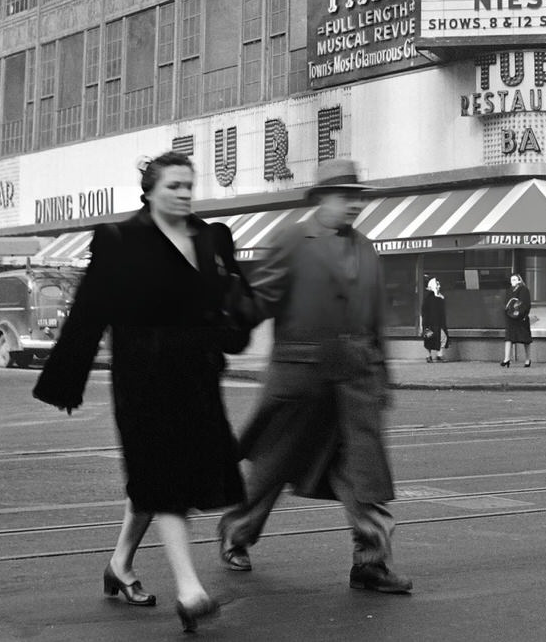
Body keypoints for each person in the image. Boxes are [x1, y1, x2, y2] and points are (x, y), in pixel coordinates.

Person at [34, 151, 247, 633]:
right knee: (166, 480)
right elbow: (90, 310)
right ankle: (190, 590)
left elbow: (225, 303)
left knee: (154, 479)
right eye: (174, 185)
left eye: (189, 185)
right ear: (150, 190)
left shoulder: (207, 237)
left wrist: (235, 327)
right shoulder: (121, 240)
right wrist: (66, 380)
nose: (185, 193)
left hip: (195, 379)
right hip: (143, 379)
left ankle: (120, 565)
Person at [218, 158, 412, 595]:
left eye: (357, 199)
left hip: (355, 382)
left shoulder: (365, 247)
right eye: (346, 198)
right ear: (322, 198)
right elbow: (261, 297)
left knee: (363, 476)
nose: (354, 207)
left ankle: (371, 563)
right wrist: (225, 326)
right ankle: (237, 533)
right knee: (271, 468)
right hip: (300, 382)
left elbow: (376, 317)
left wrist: (382, 374)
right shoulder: (291, 238)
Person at [502, 272, 532, 368]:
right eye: (511, 280)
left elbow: (526, 303)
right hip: (511, 318)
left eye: (514, 279)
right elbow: (506, 303)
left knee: (525, 340)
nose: (513, 282)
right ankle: (506, 359)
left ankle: (528, 359)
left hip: (521, 318)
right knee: (508, 338)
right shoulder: (509, 290)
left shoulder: (524, 289)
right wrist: (508, 311)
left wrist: (521, 313)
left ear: (519, 280)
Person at [420, 277, 448, 362]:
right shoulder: (434, 298)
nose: (439, 286)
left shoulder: (429, 298)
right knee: (438, 337)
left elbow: (423, 311)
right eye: (437, 284)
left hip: (429, 323)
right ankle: (437, 355)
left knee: (430, 338)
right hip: (433, 323)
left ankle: (431, 356)